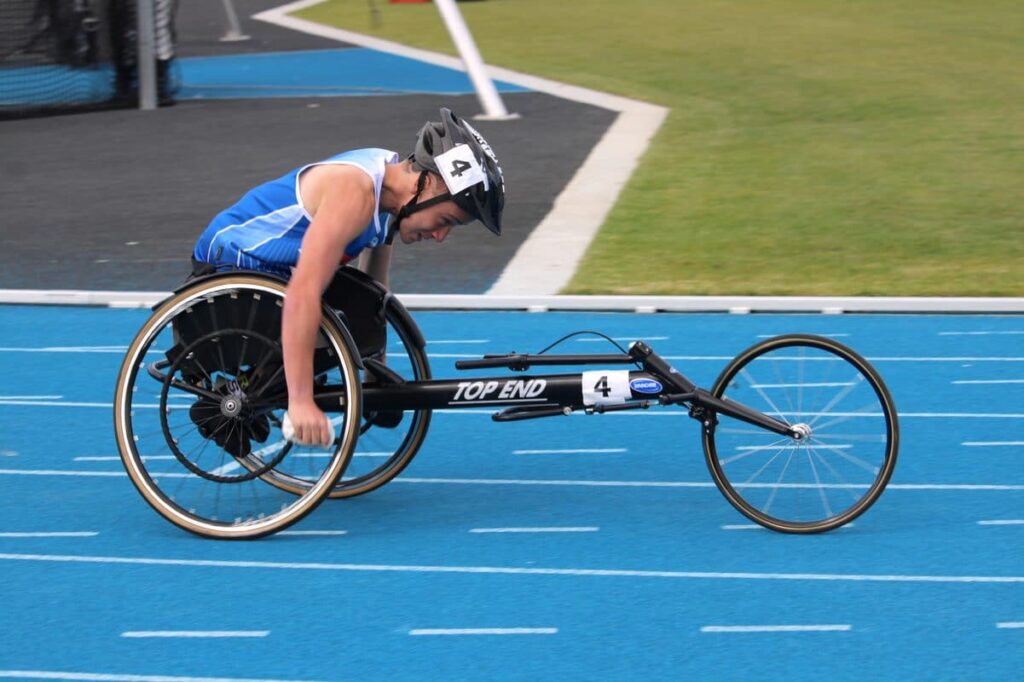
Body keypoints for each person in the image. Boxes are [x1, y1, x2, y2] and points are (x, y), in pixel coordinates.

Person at [191, 108, 505, 448]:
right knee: (324, 335)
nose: (441, 236)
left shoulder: (389, 195)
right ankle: (249, 396)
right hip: (233, 257)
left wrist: (376, 374)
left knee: (349, 322)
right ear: (424, 184)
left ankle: (265, 387)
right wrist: (301, 403)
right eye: (446, 219)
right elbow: (303, 292)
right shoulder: (354, 193)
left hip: (276, 270)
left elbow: (374, 289)